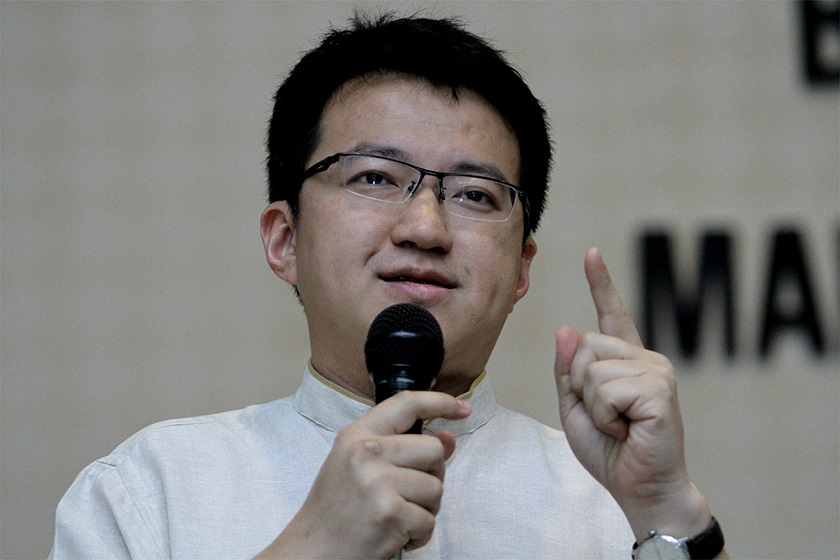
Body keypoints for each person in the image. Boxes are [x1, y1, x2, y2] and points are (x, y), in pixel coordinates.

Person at [50, 12, 727, 559]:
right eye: (374, 177)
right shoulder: (149, 492)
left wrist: (667, 512)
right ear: (285, 239)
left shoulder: (610, 505)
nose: (425, 227)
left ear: (522, 267)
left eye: (474, 194)